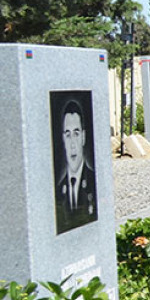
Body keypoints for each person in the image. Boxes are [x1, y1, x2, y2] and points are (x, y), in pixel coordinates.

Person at [55, 98, 97, 233]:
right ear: (63, 138)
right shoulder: (59, 188)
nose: (72, 144)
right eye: (68, 135)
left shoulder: (93, 180)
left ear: (83, 137)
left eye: (76, 134)